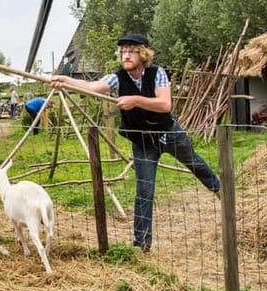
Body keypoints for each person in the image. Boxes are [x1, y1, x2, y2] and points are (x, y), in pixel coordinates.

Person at [51, 33, 220, 252]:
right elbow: (91, 87)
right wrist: (65, 81)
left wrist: (136, 100)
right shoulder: (117, 78)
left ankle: (218, 189)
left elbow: (165, 104)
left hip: (168, 132)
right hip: (142, 141)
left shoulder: (156, 73)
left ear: (142, 54)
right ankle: (142, 244)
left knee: (194, 163)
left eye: (131, 51)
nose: (126, 55)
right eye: (123, 51)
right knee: (144, 190)